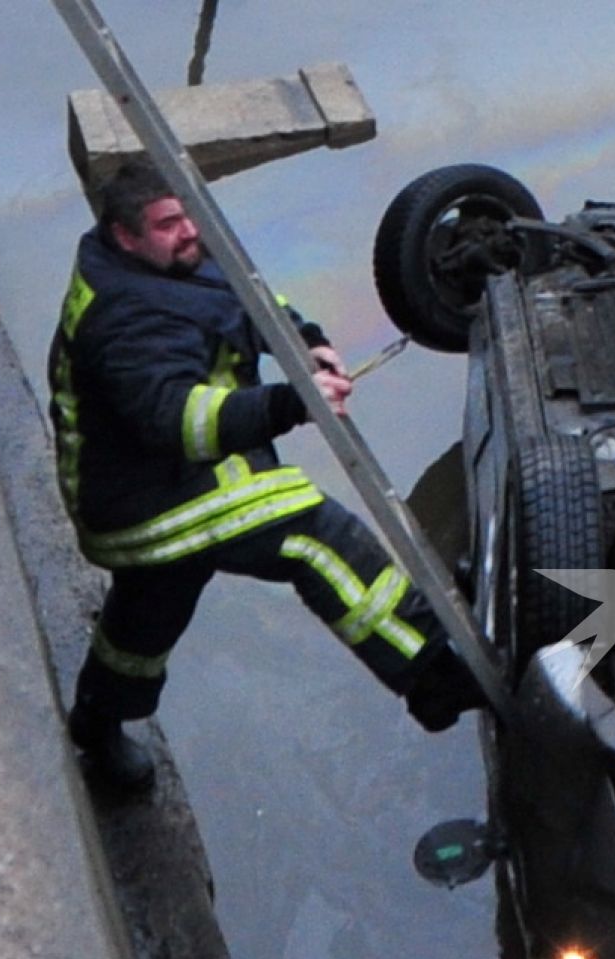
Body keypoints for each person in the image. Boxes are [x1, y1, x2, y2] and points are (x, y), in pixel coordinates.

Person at [49, 159, 481, 793]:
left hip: (158, 474)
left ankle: (98, 723)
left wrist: (305, 341)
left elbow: (247, 296)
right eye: (168, 224)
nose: (189, 232)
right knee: (312, 533)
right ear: (124, 235)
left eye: (189, 215)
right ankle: (432, 674)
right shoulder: (124, 319)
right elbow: (180, 422)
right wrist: (292, 404)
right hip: (142, 498)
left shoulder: (171, 259)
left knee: (151, 606)